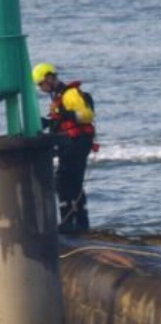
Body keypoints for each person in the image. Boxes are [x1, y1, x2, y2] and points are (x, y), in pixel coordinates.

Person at [31, 62, 96, 234]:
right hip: (70, 143)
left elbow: (87, 115)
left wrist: (65, 115)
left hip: (77, 143)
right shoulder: (58, 97)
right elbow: (60, 122)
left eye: (41, 83)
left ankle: (69, 223)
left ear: (49, 78)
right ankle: (80, 223)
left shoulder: (70, 94)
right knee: (72, 183)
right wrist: (45, 123)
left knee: (64, 181)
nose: (41, 88)